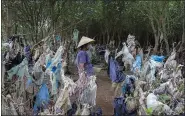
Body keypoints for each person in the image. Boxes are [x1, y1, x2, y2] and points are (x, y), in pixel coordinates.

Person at [73, 36, 97, 107]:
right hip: (86, 75)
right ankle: (84, 105)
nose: (90, 45)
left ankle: (84, 105)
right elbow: (81, 65)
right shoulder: (83, 53)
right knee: (87, 90)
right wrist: (83, 76)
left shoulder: (82, 52)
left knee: (86, 90)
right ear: (85, 45)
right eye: (89, 44)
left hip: (86, 74)